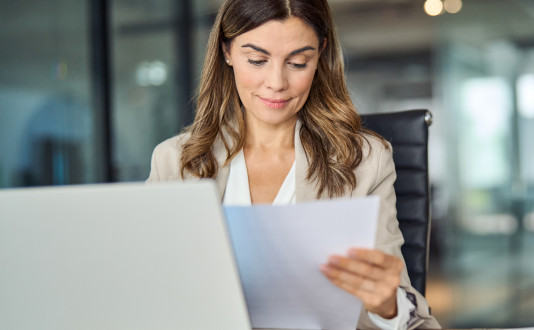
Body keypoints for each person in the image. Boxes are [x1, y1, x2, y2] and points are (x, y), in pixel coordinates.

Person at [145, 0, 440, 328]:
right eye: (257, 60)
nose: (276, 82)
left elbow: (415, 320)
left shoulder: (364, 161)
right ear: (226, 52)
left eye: (298, 62)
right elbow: (147, 293)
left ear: (319, 55)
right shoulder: (175, 162)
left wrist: (387, 306)